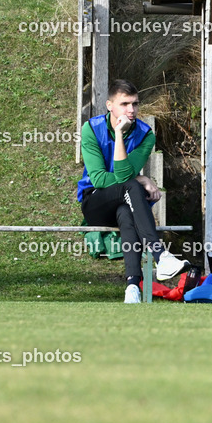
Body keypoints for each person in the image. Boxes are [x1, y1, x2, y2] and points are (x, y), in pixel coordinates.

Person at [78, 79, 189, 304]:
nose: (132, 110)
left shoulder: (146, 134)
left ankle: (132, 288)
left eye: (135, 104)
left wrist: (133, 177)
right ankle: (161, 255)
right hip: (95, 201)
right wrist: (140, 176)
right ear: (109, 105)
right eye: (125, 104)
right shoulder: (90, 129)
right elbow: (99, 179)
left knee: (126, 212)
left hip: (125, 201)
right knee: (131, 185)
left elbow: (123, 176)